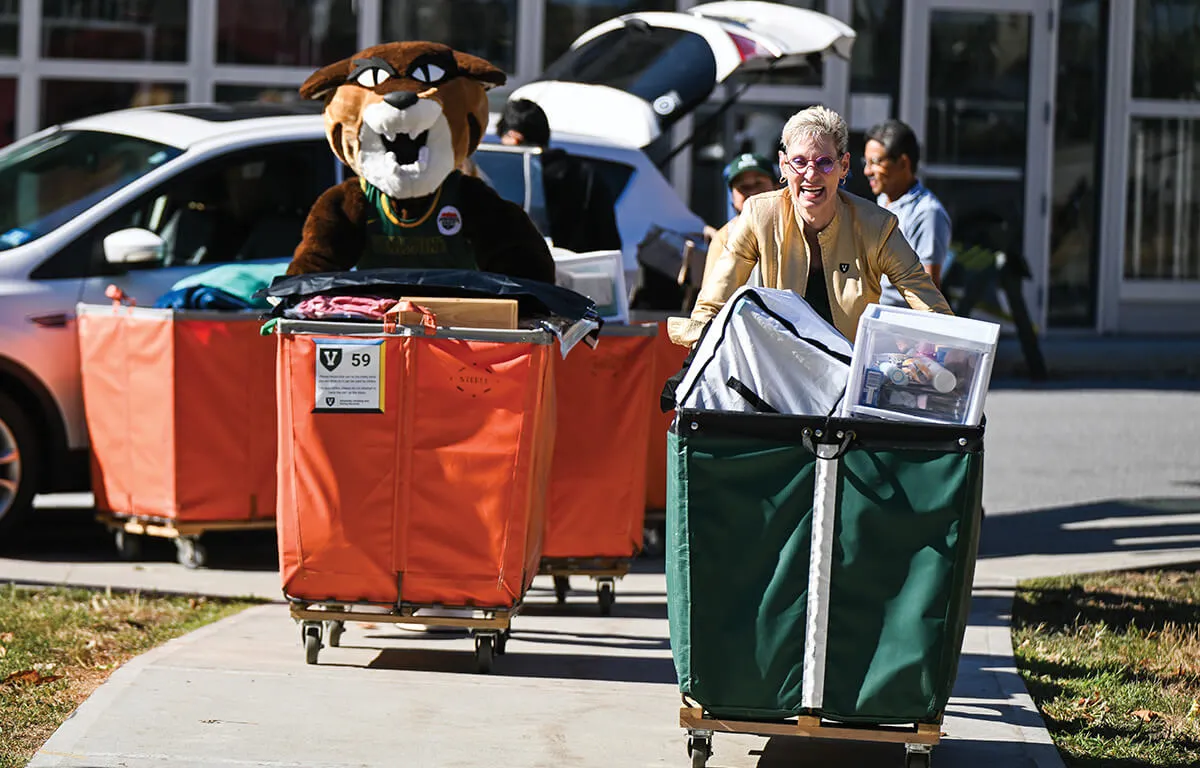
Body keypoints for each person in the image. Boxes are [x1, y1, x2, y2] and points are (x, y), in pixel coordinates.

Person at [668, 105, 952, 348]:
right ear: (783, 165)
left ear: (844, 166)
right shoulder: (759, 213)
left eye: (825, 163)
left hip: (847, 374)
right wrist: (700, 347)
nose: (810, 175)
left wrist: (950, 351)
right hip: (778, 372)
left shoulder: (876, 224)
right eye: (799, 162)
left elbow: (927, 299)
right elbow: (712, 303)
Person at [497, 98, 622, 253]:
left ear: (514, 137)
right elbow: (609, 244)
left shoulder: (505, 177)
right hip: (576, 272)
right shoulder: (587, 176)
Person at [862, 119, 952, 306]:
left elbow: (929, 294)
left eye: (875, 162)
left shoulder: (927, 213)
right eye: (866, 162)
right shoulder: (884, 200)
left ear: (903, 163)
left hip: (894, 324)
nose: (867, 171)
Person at [702, 153, 780, 279]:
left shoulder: (793, 225)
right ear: (732, 197)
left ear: (776, 188)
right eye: (743, 187)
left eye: (759, 183)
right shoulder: (724, 237)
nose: (752, 193)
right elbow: (711, 293)